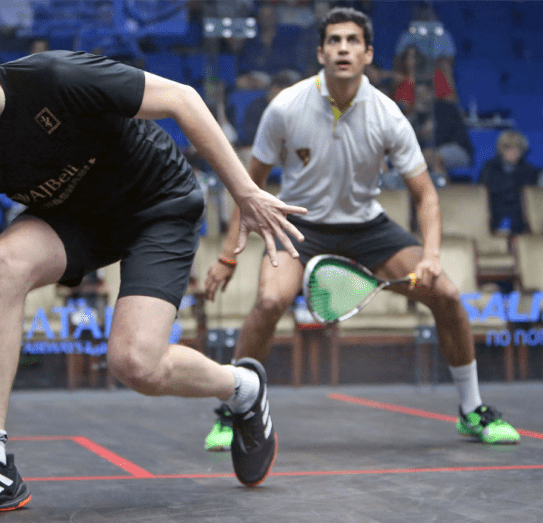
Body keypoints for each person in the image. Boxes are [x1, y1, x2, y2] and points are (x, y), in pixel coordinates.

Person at [0, 9, 299, 519]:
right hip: (76, 220)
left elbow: (182, 99)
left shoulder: (55, 77)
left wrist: (245, 194)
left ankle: (243, 388)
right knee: (3, 262)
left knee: (136, 365)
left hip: (156, 205)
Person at [203, 7, 520, 452]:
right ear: (321, 52)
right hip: (300, 227)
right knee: (270, 301)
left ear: (368, 54)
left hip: (368, 228)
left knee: (447, 296)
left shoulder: (388, 115)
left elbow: (426, 195)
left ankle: (472, 410)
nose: (343, 49)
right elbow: (248, 188)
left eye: (352, 41)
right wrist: (227, 256)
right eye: (334, 41)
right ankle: (234, 411)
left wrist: (431, 257)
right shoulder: (287, 107)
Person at [478, 129, 543, 235]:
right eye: (508, 147)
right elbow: (482, 192)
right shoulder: (490, 167)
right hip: (495, 208)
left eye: (516, 148)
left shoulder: (527, 169)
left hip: (519, 212)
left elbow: (530, 195)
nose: (512, 151)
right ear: (501, 149)